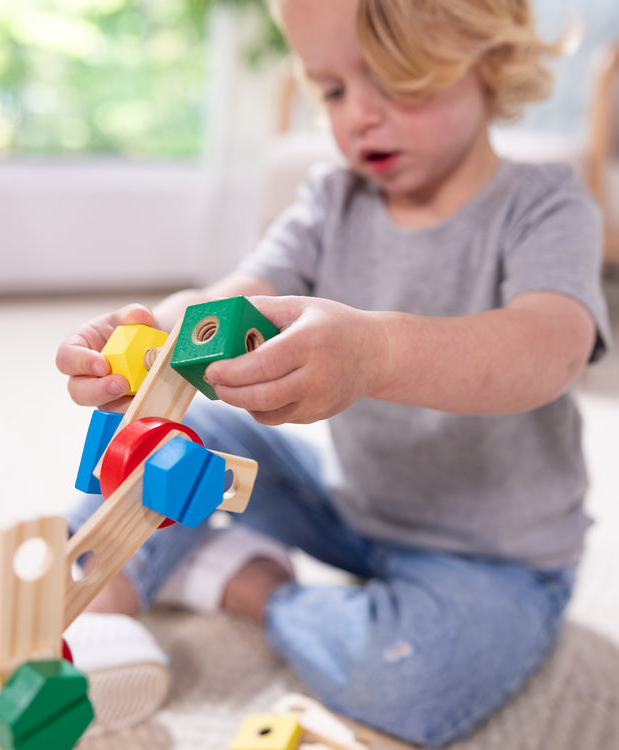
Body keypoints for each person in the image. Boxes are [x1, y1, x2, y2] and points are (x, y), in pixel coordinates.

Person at [55, 0, 611, 746]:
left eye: (396, 80)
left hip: (494, 558)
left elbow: (549, 348)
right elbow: (236, 298)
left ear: (486, 58)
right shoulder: (329, 200)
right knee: (172, 427)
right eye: (334, 88)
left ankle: (249, 584)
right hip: (349, 505)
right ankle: (97, 610)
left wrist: (374, 353)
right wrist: (156, 337)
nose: (362, 116)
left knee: (404, 677)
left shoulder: (545, 204)